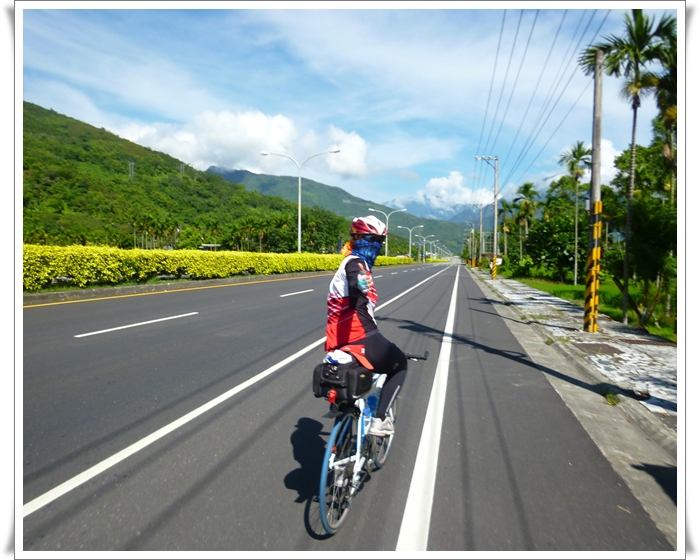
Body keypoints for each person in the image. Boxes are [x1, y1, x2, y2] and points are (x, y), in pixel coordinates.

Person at [325, 216, 408, 436]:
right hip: (361, 335)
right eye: (372, 239)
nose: (377, 245)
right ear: (358, 238)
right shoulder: (355, 264)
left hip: (337, 341)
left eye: (380, 240)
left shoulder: (351, 263)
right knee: (399, 363)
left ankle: (343, 428)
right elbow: (355, 282)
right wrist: (360, 284)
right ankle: (380, 420)